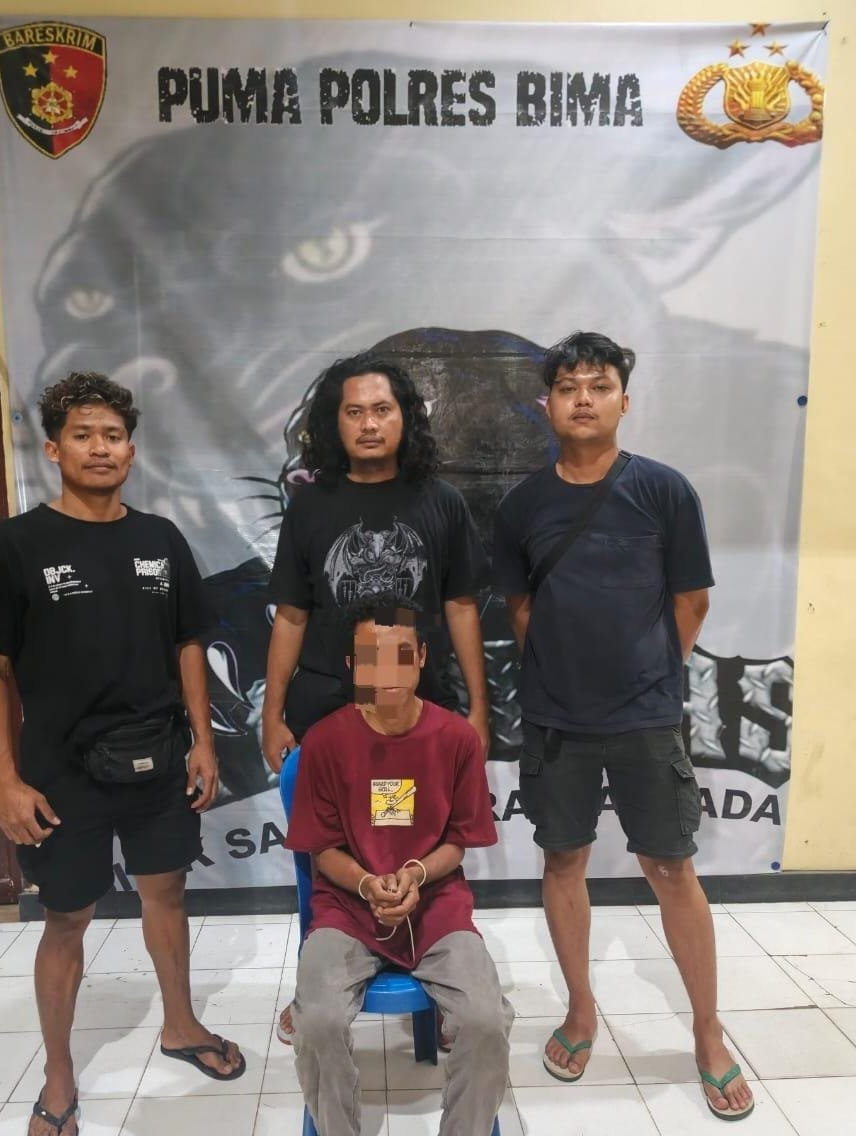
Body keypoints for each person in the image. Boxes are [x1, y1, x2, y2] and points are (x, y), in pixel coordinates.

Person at [0, 372, 244, 1136]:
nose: (100, 448)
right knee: (66, 919)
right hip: (60, 772)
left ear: (131, 450)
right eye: (83, 435)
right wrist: (4, 780)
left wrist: (203, 741)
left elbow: (189, 643)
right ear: (54, 449)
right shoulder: (16, 544)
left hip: (158, 755)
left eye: (113, 436)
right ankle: (59, 1074)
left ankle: (180, 1024)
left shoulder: (160, 539)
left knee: (168, 894)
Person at [492, 332, 754, 1122]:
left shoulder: (664, 491)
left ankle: (707, 1032)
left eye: (599, 385)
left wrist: (648, 672)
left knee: (671, 869)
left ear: (624, 401)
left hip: (647, 717)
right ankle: (580, 1011)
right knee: (562, 861)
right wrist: (566, 672)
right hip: (556, 720)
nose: (584, 398)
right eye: (569, 386)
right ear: (547, 405)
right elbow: (521, 609)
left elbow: (691, 600)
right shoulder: (523, 506)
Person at [264, 352, 491, 1043]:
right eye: (354, 411)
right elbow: (291, 615)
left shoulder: (440, 501)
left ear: (404, 418)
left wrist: (478, 707)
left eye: (382, 409)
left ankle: (436, 974)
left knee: (411, 836)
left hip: (415, 704)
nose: (368, 424)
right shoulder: (311, 505)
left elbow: (460, 607)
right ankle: (320, 982)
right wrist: (272, 712)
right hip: (327, 706)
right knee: (322, 856)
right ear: (334, 423)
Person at [285, 595, 513, 1136]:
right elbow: (322, 850)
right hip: (345, 909)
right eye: (371, 658)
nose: (386, 672)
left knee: (486, 1021)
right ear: (352, 665)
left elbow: (457, 843)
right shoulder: (325, 741)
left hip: (436, 905)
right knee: (316, 1023)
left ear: (421, 658)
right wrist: (367, 883)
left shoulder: (455, 739)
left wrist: (415, 875)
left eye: (400, 655)